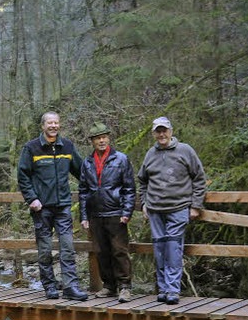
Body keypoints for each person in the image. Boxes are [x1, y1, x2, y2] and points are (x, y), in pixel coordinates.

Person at [17, 111, 88, 301]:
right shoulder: (31, 148)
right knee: (45, 249)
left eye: (56, 122)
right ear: (43, 126)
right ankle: (49, 286)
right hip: (41, 208)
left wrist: (98, 186)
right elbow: (23, 175)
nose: (53, 126)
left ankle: (71, 286)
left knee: (67, 247)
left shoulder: (67, 146)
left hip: (63, 206)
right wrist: (32, 198)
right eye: (50, 123)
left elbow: (81, 172)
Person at [137, 116, 207, 305]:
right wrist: (144, 203)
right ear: (153, 133)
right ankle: (163, 288)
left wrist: (196, 205)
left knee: (173, 248)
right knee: (159, 249)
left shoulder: (185, 151)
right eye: (158, 131)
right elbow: (142, 181)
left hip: (178, 208)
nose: (162, 134)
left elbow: (199, 179)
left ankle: (172, 289)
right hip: (155, 210)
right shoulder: (150, 154)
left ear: (171, 131)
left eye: (164, 130)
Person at [79, 122, 136, 303]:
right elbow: (83, 191)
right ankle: (109, 286)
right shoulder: (87, 163)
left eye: (104, 137)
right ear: (92, 141)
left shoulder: (121, 159)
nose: (101, 140)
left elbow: (129, 188)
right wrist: (84, 216)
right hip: (96, 214)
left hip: (116, 212)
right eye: (97, 138)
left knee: (119, 251)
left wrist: (127, 211)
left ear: (108, 138)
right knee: (101, 252)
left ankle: (125, 287)